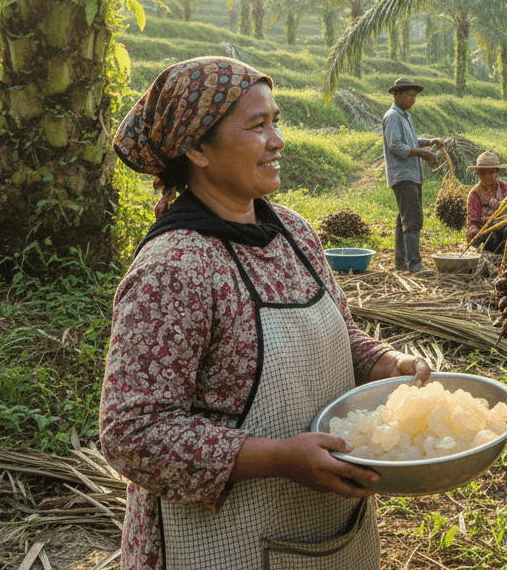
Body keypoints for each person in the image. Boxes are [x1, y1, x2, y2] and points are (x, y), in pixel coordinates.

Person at [101, 57, 432, 570]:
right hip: (217, 544)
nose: (277, 139)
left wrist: (387, 364)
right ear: (196, 148)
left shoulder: (294, 233)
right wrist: (277, 458)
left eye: (276, 120)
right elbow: (132, 432)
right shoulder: (174, 267)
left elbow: (342, 335)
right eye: (257, 126)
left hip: (329, 533)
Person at [382, 77, 443, 275]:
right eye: (409, 95)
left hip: (412, 174)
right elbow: (395, 145)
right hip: (403, 174)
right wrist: (421, 153)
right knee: (413, 219)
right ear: (397, 95)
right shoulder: (392, 116)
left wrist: (428, 142)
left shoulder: (405, 116)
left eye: (414, 96)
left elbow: (410, 140)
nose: (413, 99)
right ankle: (415, 264)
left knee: (404, 219)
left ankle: (401, 262)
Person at [465, 151, 507, 263]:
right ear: (480, 174)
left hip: (506, 227)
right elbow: (473, 220)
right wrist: (474, 232)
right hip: (487, 231)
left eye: (496, 171)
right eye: (490, 172)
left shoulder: (505, 187)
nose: (494, 175)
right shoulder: (475, 194)